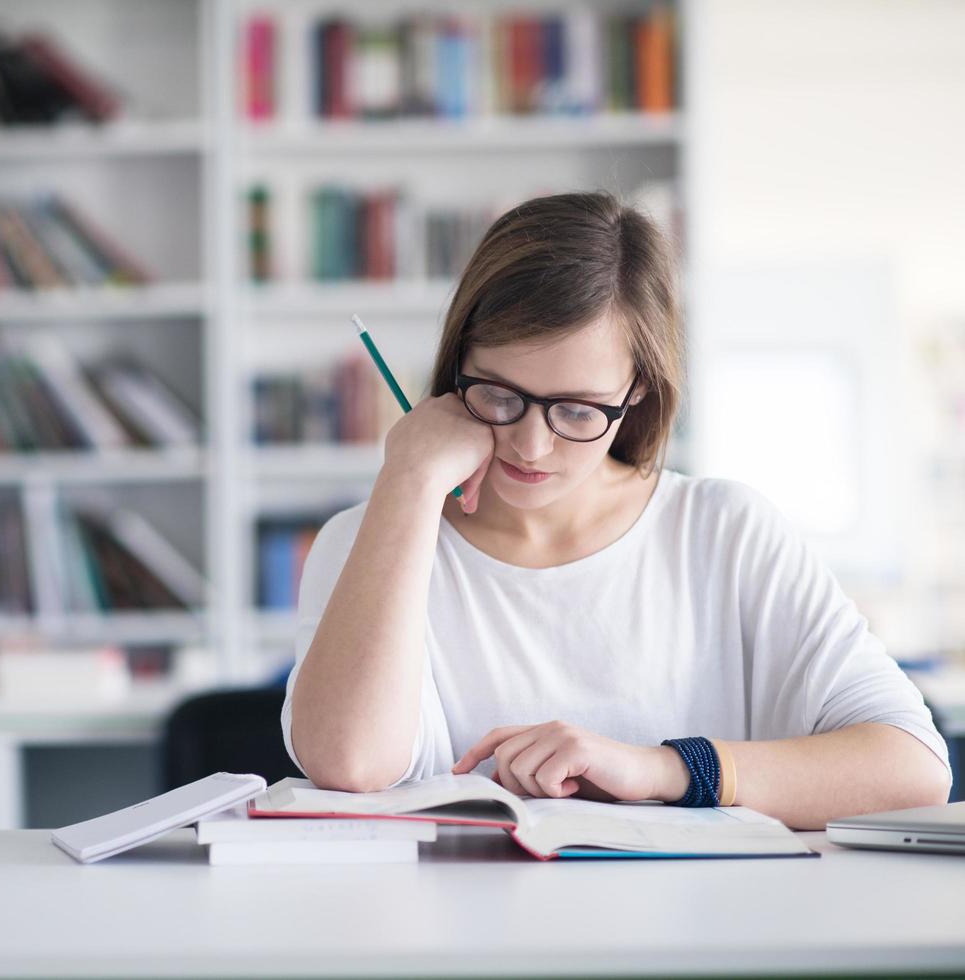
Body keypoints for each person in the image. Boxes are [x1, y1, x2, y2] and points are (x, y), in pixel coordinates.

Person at [280, 191, 951, 830]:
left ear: (636, 395)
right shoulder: (368, 539)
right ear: (457, 365)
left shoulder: (720, 531)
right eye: (498, 393)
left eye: (576, 409)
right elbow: (351, 762)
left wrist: (662, 769)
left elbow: (912, 769)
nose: (530, 443)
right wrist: (408, 477)